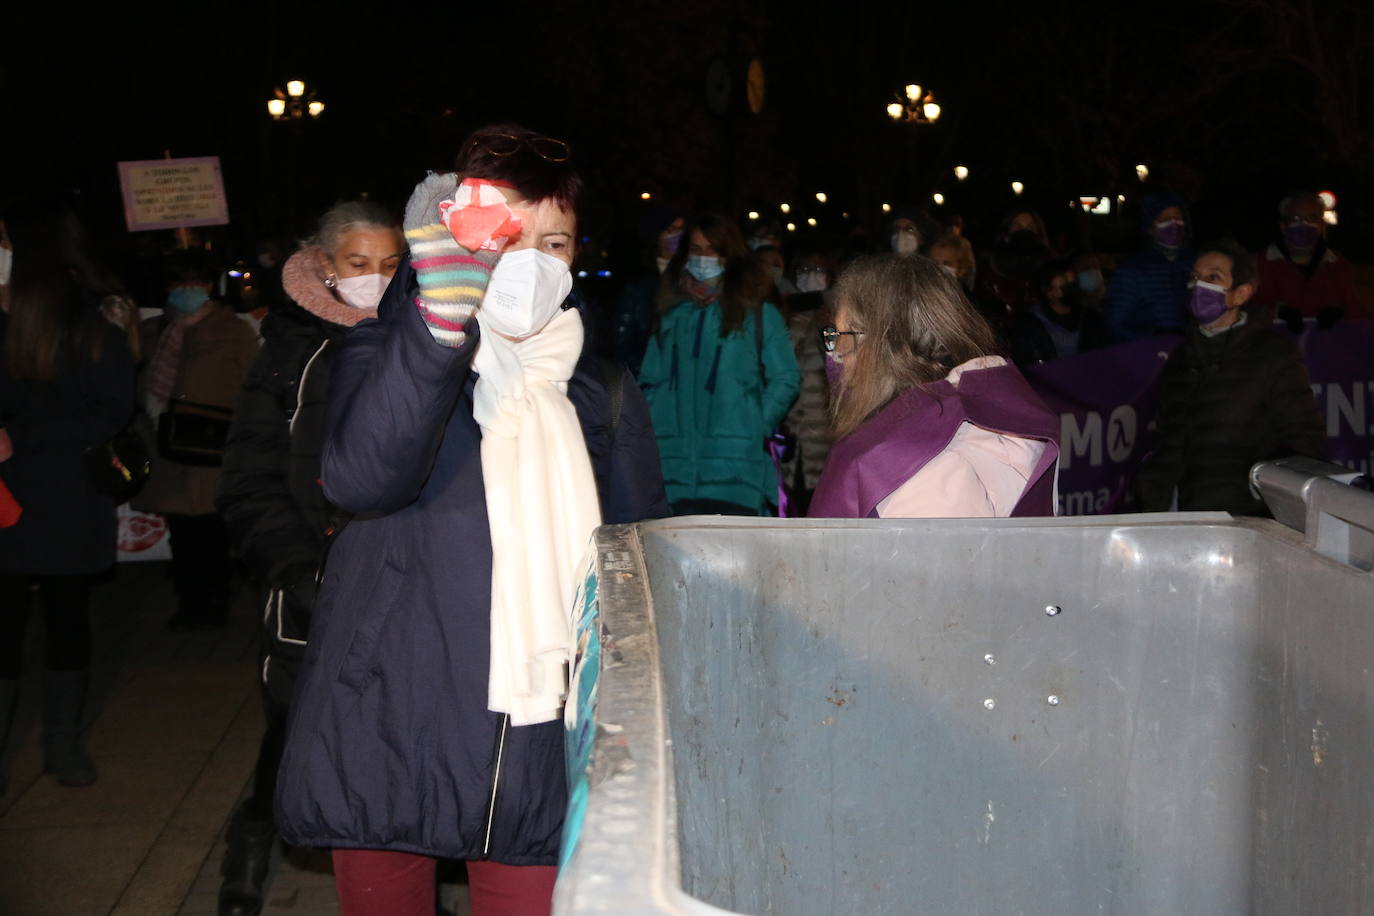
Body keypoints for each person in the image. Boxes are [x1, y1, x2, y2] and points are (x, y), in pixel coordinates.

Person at [273, 123, 669, 915]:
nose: (529, 262)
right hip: (388, 711)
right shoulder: (389, 345)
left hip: (534, 726)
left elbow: (637, 562)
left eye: (553, 242)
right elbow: (360, 480)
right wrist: (441, 325)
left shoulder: (601, 387)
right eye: (509, 237)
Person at [213, 201, 404, 916]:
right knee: (294, 732)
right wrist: (292, 568)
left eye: (390, 266)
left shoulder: (421, 339)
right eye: (359, 265)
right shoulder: (290, 350)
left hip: (399, 580)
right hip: (309, 585)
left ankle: (397, 881)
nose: (375, 280)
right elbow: (249, 478)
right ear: (325, 265)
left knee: (391, 740)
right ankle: (250, 851)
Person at [0, 198, 136, 789]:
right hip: (6, 503)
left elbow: (111, 411)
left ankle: (62, 742)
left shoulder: (88, 326)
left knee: (65, 620)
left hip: (64, 498)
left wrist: (19, 440)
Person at [808, 254, 1060, 519]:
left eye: (840, 336)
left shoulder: (924, 470)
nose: (835, 355)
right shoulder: (925, 434)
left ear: (884, 346)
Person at [1135, 239, 1326, 515]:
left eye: (1213, 277)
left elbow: (1304, 439)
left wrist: (1265, 496)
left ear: (1241, 293)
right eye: (1194, 277)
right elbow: (1167, 436)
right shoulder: (1181, 358)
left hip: (1240, 517)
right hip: (1175, 512)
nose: (1199, 286)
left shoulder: (1273, 354)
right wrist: (1150, 487)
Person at [638, 211, 801, 515]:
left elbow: (786, 377)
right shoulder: (671, 313)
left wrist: (756, 423)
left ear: (730, 255)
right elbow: (649, 381)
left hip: (736, 471)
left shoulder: (758, 313)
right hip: (672, 471)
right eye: (697, 250)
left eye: (713, 249)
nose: (704, 258)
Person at [133, 250, 258, 630]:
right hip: (167, 449)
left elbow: (252, 387)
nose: (189, 290)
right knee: (182, 534)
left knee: (211, 531)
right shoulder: (154, 330)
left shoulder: (232, 330)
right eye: (180, 282)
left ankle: (214, 601)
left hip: (213, 449)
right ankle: (190, 602)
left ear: (210, 286)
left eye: (197, 282)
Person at [1252, 191, 1363, 326]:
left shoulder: (1339, 265)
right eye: (1296, 218)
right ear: (1283, 226)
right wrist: (1275, 312)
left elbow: (1358, 315)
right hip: (1276, 345)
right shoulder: (1258, 264)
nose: (1304, 224)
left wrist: (1341, 312)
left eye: (1312, 218)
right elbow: (1243, 311)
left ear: (1322, 226)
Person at [1102, 191, 1195, 342]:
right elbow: (1115, 324)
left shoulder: (1197, 265)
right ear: (1149, 228)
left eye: (1178, 218)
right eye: (1165, 219)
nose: (1174, 223)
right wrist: (1154, 341)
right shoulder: (1130, 271)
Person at [1006, 260, 1109, 366]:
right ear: (1048, 291)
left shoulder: (1091, 318)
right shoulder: (1029, 326)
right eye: (1065, 281)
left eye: (1074, 281)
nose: (1072, 285)